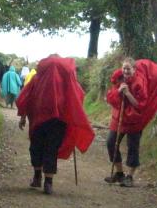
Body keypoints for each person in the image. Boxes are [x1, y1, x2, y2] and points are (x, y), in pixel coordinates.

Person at [16, 55, 94, 195]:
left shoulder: (41, 78)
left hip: (44, 121)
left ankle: (41, 178)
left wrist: (22, 116)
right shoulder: (63, 80)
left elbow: (26, 97)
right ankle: (45, 181)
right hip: (53, 121)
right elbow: (77, 97)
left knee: (38, 148)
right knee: (48, 148)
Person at [104, 57, 147, 187]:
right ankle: (119, 173)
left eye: (128, 68)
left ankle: (130, 176)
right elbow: (110, 99)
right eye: (124, 68)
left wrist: (128, 93)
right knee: (111, 142)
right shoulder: (119, 79)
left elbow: (140, 105)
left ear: (134, 69)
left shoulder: (140, 82)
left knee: (133, 147)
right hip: (119, 118)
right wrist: (118, 91)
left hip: (134, 120)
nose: (125, 71)